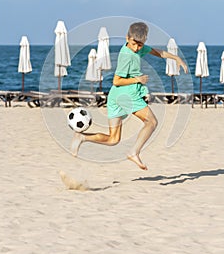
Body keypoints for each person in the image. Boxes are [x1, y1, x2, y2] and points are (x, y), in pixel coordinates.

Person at [71, 22, 188, 170]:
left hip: (115, 96)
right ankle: (134, 152)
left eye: (140, 44)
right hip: (127, 94)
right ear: (127, 37)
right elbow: (116, 80)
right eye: (134, 43)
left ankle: (82, 137)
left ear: (144, 41)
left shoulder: (137, 48)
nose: (136, 48)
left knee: (113, 139)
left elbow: (158, 52)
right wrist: (137, 79)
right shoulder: (126, 55)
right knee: (151, 122)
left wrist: (176, 58)